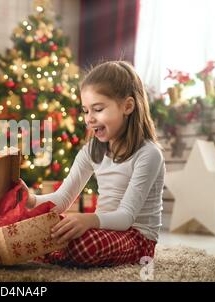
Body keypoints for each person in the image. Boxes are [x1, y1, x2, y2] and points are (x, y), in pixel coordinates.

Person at [24, 61, 165, 267]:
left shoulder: (149, 154)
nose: (89, 119)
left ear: (127, 106)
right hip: (103, 229)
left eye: (97, 109)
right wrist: (29, 200)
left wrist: (88, 220)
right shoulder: (91, 150)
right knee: (40, 226)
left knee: (84, 244)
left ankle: (39, 249)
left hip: (138, 238)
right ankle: (44, 247)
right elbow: (61, 199)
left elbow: (126, 217)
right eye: (85, 111)